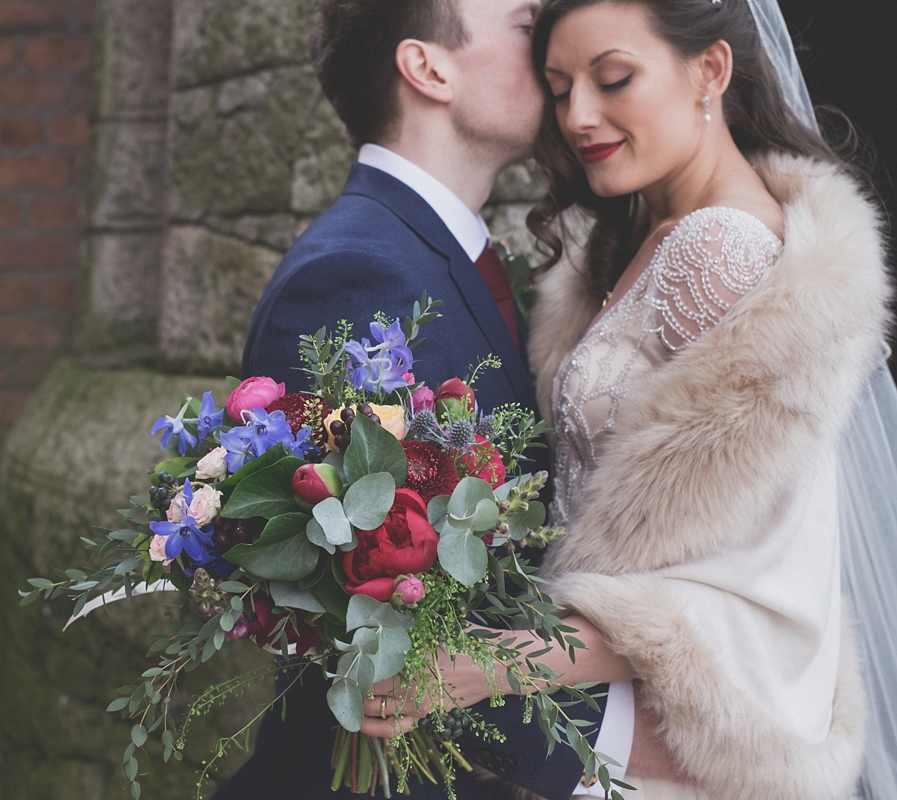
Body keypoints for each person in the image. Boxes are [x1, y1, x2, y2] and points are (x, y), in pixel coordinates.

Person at [364, 1, 897, 800]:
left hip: (671, 749)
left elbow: (749, 587)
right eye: (559, 86)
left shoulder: (722, 253)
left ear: (710, 71)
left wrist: (500, 665)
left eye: (614, 78)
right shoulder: (643, 233)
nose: (579, 116)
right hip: (608, 728)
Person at [217, 1, 654, 798]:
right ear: (428, 69)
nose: (555, 49)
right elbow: (376, 644)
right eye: (527, 27)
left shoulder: (456, 256)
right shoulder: (351, 276)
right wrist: (631, 750)